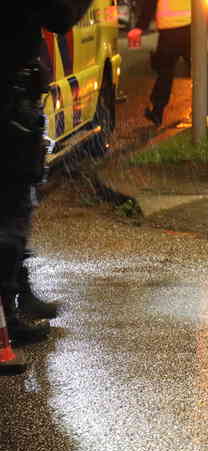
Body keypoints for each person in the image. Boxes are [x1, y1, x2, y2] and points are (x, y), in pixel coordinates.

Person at [0, 0, 93, 342]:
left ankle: (19, 296)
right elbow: (60, 16)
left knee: (15, 203)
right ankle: (8, 319)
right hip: (9, 97)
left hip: (13, 91)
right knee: (12, 207)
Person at [128, 0, 208, 127]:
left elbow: (150, 4)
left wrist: (140, 27)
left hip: (170, 32)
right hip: (189, 28)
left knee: (165, 74)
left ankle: (157, 112)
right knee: (198, 72)